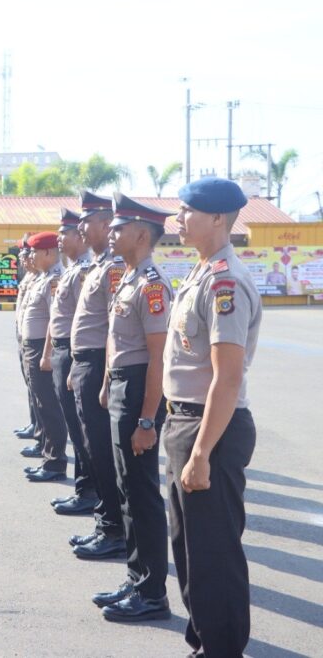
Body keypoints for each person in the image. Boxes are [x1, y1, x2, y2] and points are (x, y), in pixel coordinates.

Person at [164, 177, 261, 656]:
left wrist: (201, 453)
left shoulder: (226, 282)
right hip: (186, 421)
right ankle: (204, 641)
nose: (178, 219)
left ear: (218, 218)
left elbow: (227, 377)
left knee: (213, 554)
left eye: (188, 211)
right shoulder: (201, 272)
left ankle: (222, 649)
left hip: (211, 428)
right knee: (189, 550)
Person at [96, 193, 172, 623]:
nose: (111, 233)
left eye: (119, 228)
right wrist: (108, 383)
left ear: (142, 235)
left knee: (142, 493)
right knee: (126, 490)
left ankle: (152, 594)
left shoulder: (151, 284)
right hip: (123, 386)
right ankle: (135, 578)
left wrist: (146, 419)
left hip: (141, 389)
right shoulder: (127, 277)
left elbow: (158, 358)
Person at [69, 191, 127, 560]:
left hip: (98, 364)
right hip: (85, 363)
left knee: (103, 454)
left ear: (106, 224)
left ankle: (113, 530)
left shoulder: (114, 267)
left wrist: (103, 378)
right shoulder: (98, 265)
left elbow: (114, 330)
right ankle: (105, 523)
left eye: (86, 221)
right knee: (93, 449)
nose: (80, 228)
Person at [45, 209, 99, 515]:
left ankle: (88, 491)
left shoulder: (84, 272)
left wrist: (75, 359)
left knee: (82, 430)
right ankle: (84, 489)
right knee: (76, 428)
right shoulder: (72, 270)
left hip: (74, 352)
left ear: (79, 236)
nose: (59, 239)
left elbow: (84, 321)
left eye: (63, 233)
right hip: (64, 351)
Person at [19, 231, 68, 482]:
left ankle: (54, 462)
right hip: (33, 346)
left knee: (49, 406)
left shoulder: (54, 279)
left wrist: (47, 353)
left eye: (35, 252)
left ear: (48, 252)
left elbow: (53, 320)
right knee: (41, 403)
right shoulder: (43, 277)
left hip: (41, 348)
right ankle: (47, 454)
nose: (30, 257)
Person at [13, 240, 39, 441]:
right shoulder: (30, 277)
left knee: (41, 392)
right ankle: (35, 424)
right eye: (22, 256)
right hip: (24, 337)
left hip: (37, 341)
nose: (23, 260)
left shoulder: (43, 277)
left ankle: (41, 430)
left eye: (26, 255)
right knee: (31, 386)